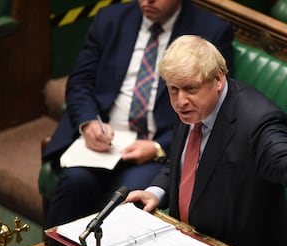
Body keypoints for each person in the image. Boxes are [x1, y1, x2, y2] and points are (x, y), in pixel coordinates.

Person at [125, 35, 287, 246]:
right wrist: (155, 192)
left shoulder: (257, 119)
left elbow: (282, 155)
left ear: (217, 79)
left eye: (190, 89)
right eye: (173, 89)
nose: (180, 101)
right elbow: (182, 162)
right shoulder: (193, 108)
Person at [43, 0, 234, 229]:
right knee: (74, 183)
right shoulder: (110, 18)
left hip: (156, 148)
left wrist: (157, 148)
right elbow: (80, 81)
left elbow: (212, 104)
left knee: (126, 204)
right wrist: (89, 123)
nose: (148, 1)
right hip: (103, 140)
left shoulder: (210, 32)